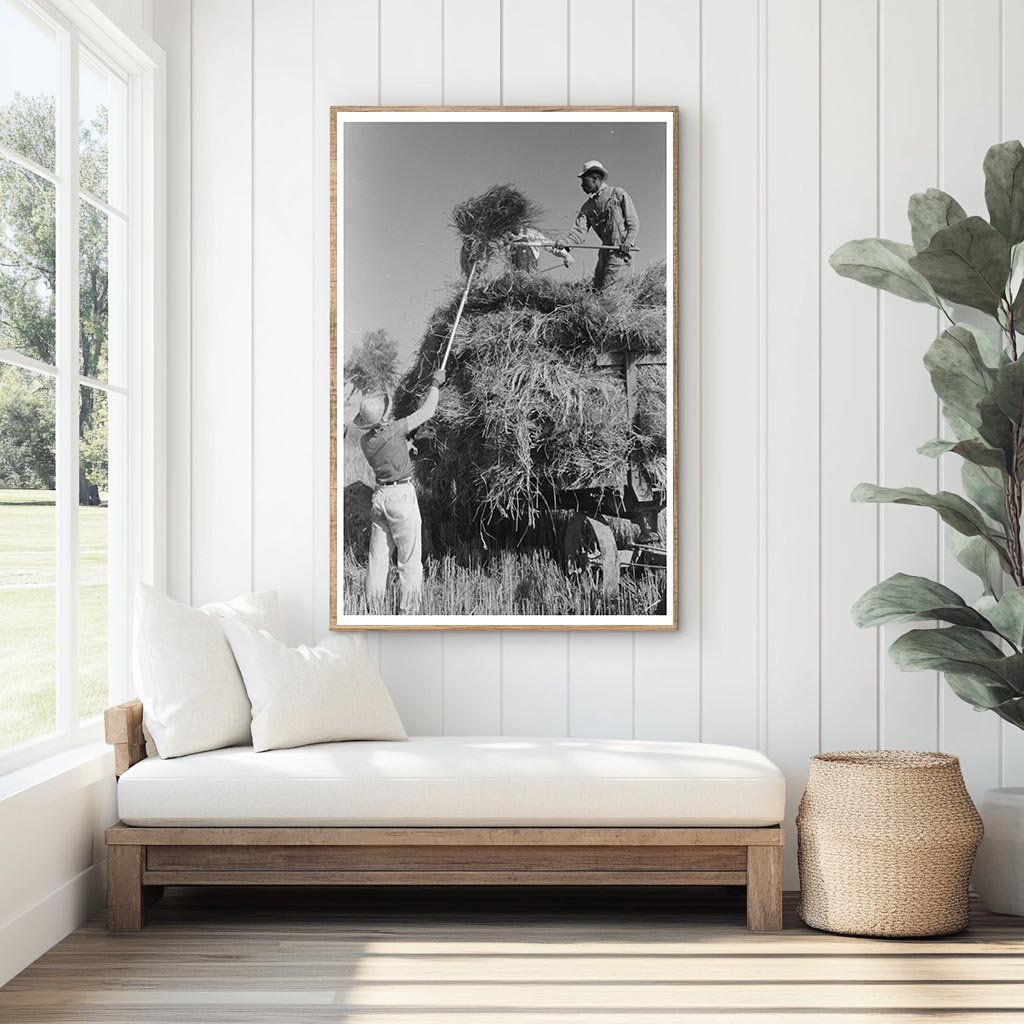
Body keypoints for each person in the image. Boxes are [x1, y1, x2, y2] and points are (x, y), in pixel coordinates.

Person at [355, 368, 445, 613]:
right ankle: (409, 612)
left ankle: (374, 608)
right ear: (384, 418)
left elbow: (390, 451)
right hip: (401, 497)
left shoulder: (366, 442)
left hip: (380, 498)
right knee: (410, 559)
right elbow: (427, 411)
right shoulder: (394, 429)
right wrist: (435, 384)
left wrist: (411, 441)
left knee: (377, 560)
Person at [554, 159, 639, 293]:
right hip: (605, 250)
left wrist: (628, 242)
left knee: (608, 294)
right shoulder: (587, 207)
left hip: (619, 250)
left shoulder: (617, 194)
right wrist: (565, 243)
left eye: (584, 181)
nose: (582, 185)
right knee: (596, 289)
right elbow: (578, 232)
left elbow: (633, 222)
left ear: (595, 179)